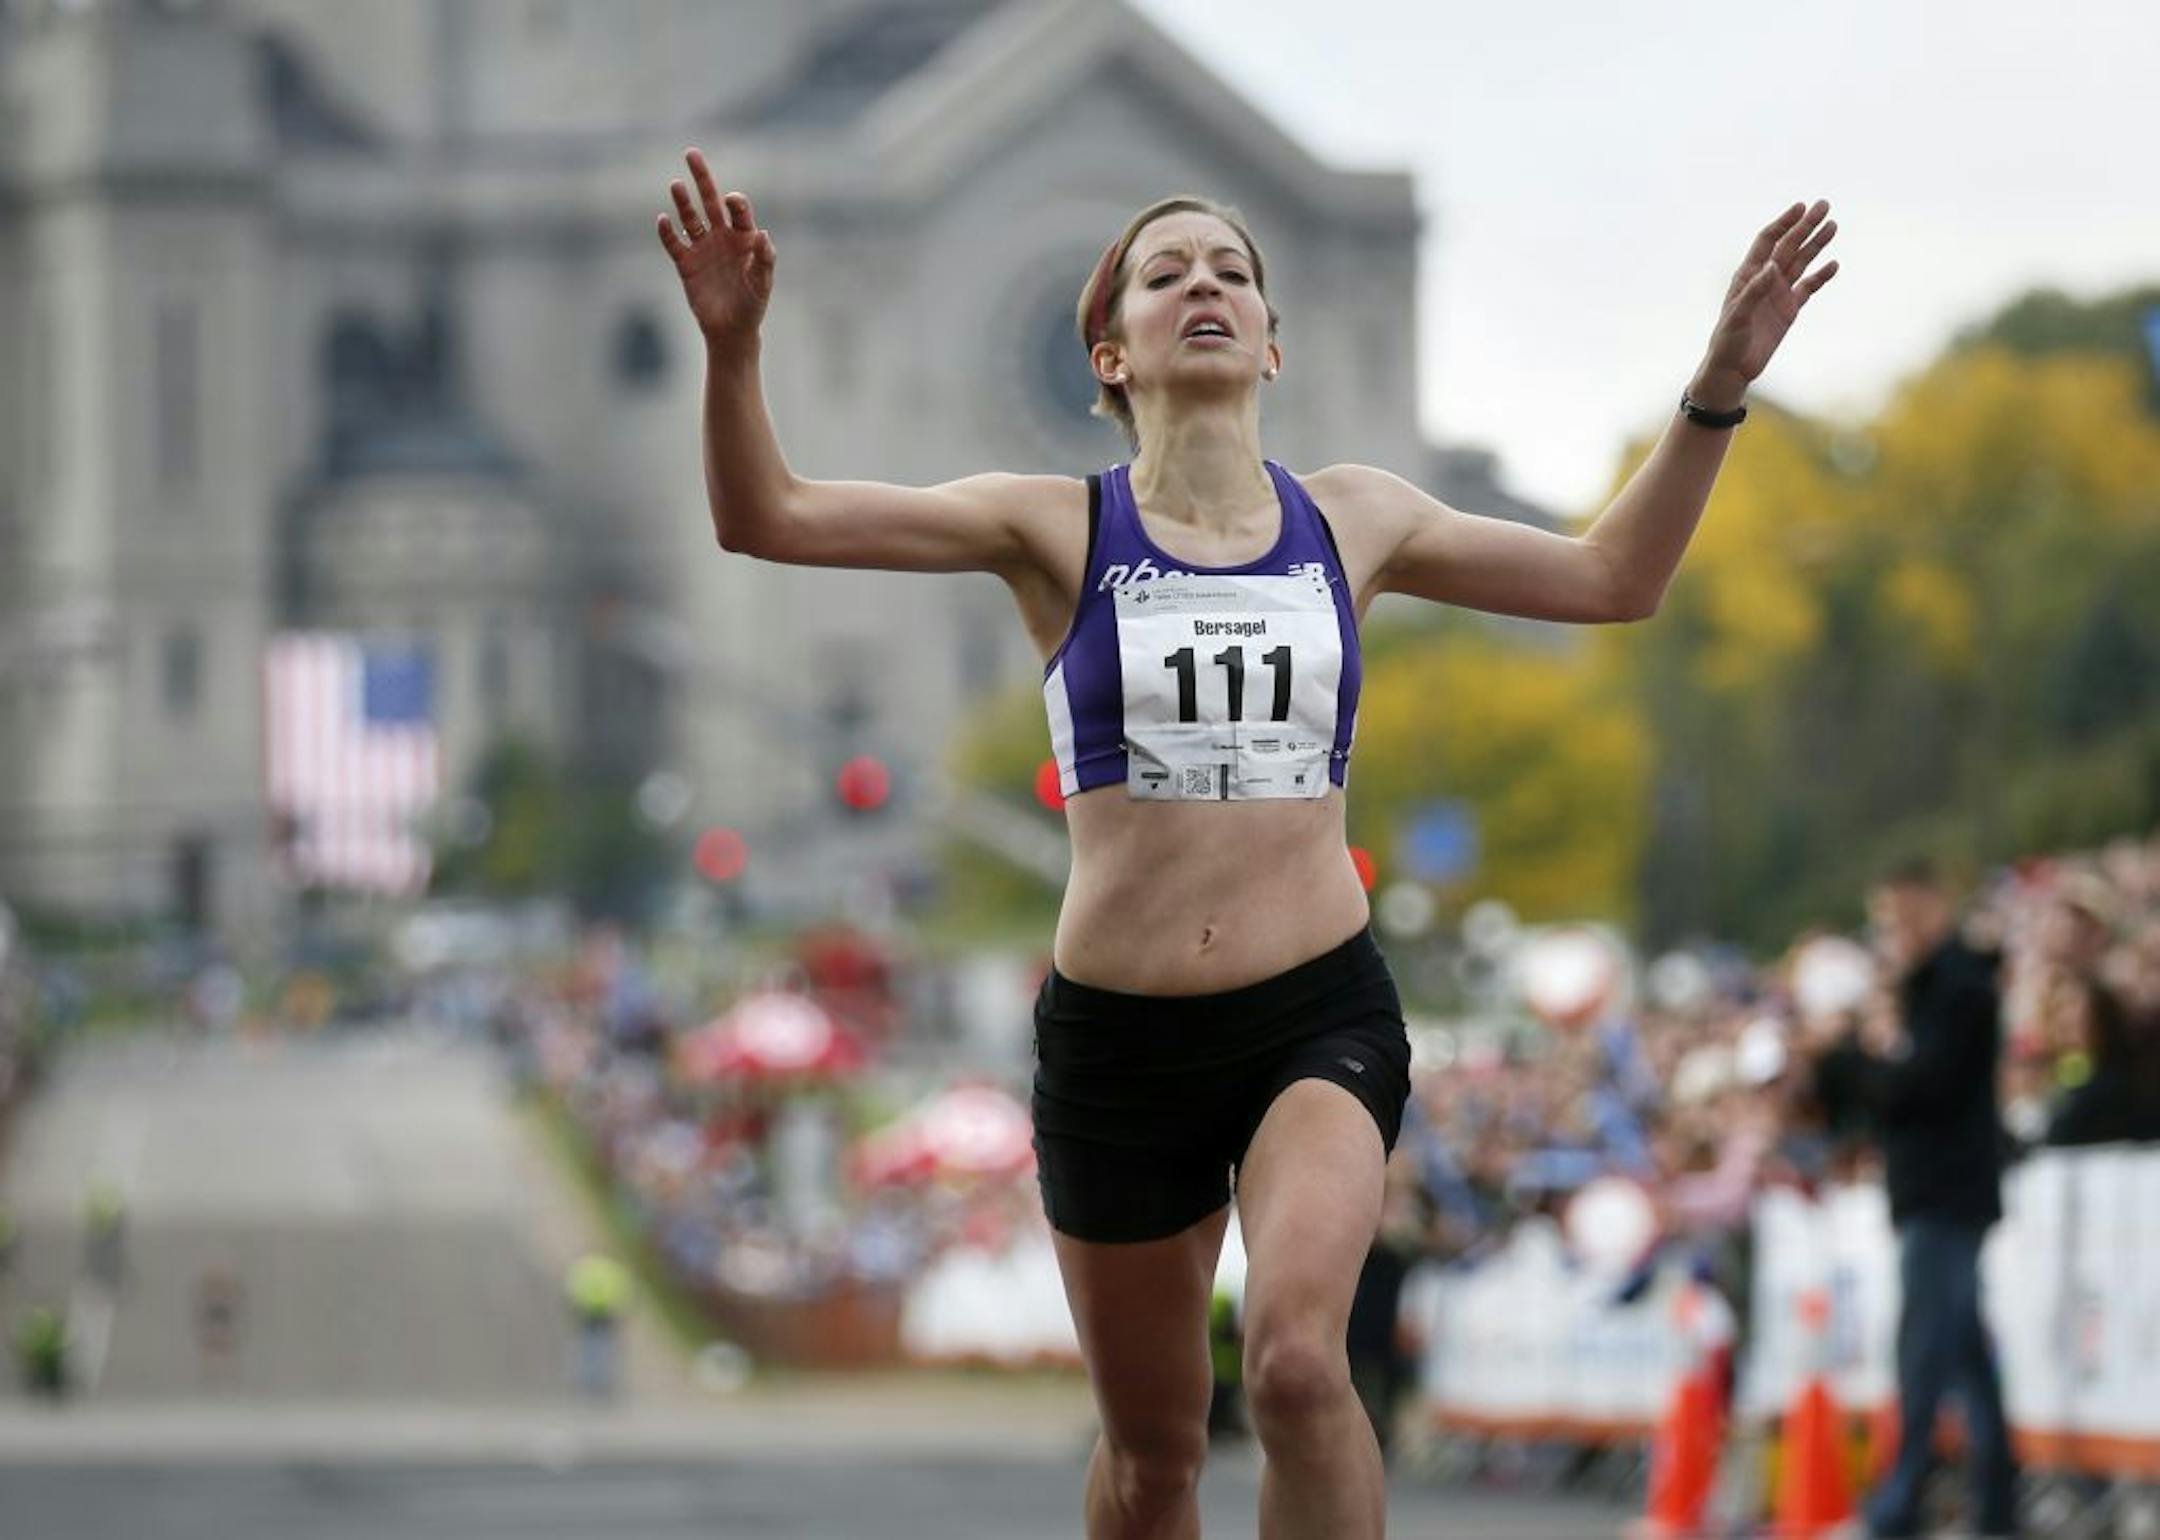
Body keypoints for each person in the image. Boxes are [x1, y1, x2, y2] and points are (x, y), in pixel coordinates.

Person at [656, 147, 1837, 1539]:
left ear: (1274, 342)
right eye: (1168, 273)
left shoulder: (1354, 517)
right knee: (1155, 1455)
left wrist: (1719, 389)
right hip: (1119, 1043)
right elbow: (764, 518)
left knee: (1291, 1365)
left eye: (1232, 272)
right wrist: (735, 352)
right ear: (1113, 350)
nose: (1204, 285)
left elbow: (1612, 579)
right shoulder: (1050, 524)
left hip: (1312, 1016)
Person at [1810, 861, 2019, 1539]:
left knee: (1924, 1352)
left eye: (1900, 916)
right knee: (1962, 1355)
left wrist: (1854, 1060)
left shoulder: (1958, 990)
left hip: (1946, 1194)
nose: (1893, 932)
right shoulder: (1925, 990)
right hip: (1932, 1192)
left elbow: (1920, 1089)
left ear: (1933, 906)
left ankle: (1899, 1507)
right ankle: (1994, 1507)